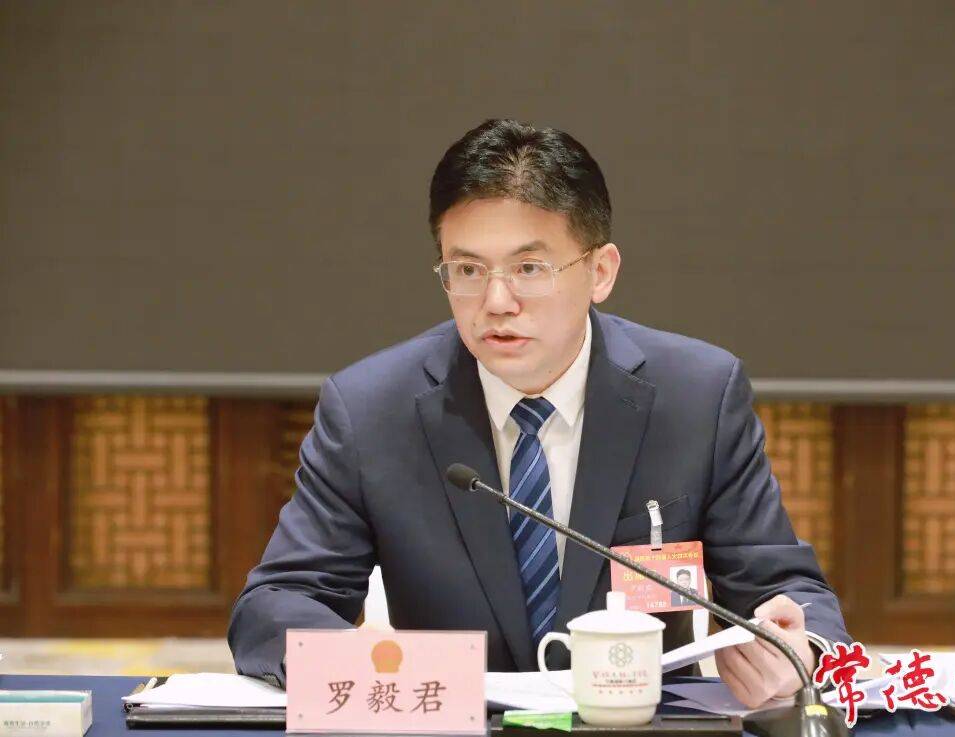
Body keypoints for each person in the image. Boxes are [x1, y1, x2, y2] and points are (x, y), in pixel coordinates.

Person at [229, 118, 850, 709]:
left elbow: (791, 592)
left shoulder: (697, 396)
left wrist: (796, 650)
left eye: (529, 268)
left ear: (600, 272)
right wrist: (356, 661)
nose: (497, 301)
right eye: (467, 269)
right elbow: (276, 603)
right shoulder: (371, 410)